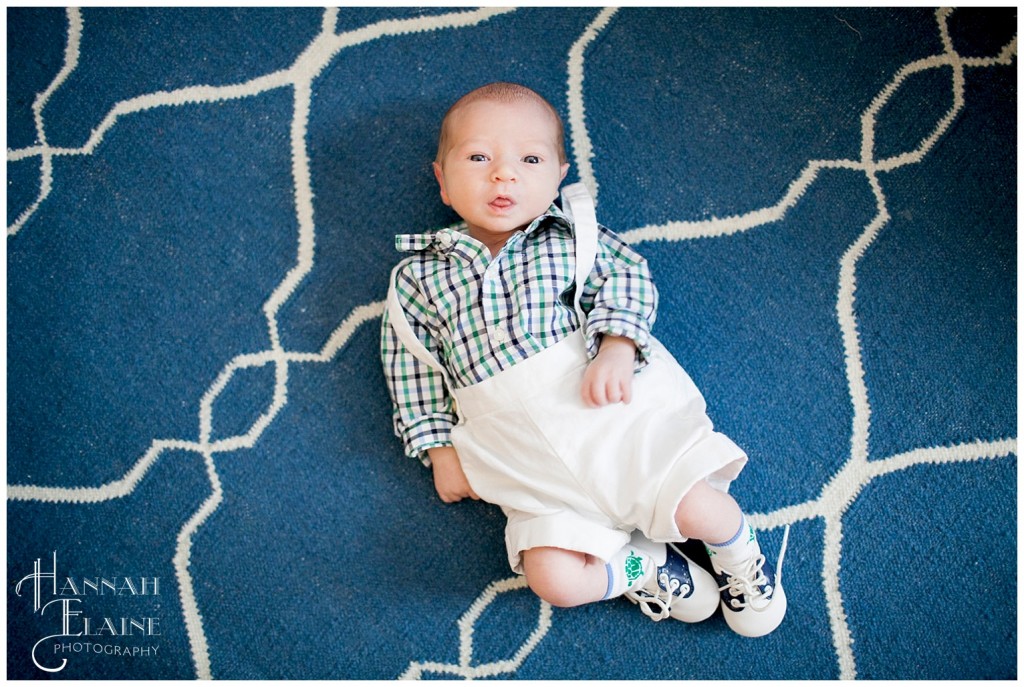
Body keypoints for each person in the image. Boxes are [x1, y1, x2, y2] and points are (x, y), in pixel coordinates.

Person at [380, 81, 788, 637]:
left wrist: (617, 347)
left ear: (558, 175)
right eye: (479, 158)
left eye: (529, 159)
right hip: (524, 462)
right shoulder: (418, 277)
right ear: (442, 181)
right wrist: (438, 448)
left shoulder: (572, 237)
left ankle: (741, 562)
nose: (503, 175)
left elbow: (627, 279)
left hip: (614, 426)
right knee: (555, 581)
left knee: (704, 511)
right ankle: (643, 566)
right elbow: (412, 365)